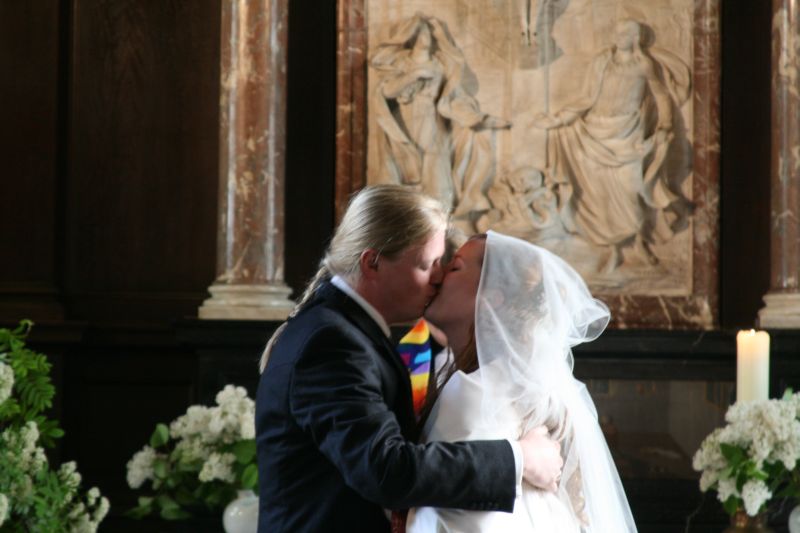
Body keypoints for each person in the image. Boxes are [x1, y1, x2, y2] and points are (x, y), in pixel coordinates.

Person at [255, 185, 563, 532]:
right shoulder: (332, 341)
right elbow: (385, 469)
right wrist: (519, 459)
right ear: (372, 263)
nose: (438, 277)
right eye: (427, 264)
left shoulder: (347, 331)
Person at [408, 231, 637, 532]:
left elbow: (446, 520)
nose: (437, 277)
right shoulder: (526, 388)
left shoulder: (476, 392)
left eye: (454, 267)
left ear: (490, 296)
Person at [533, 19, 690, 273]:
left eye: (625, 33)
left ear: (635, 37)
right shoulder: (602, 62)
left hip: (629, 135)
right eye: (617, 33)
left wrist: (665, 125)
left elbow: (661, 95)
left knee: (630, 189)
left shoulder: (643, 64)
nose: (619, 37)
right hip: (596, 130)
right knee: (600, 196)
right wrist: (559, 119)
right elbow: (587, 97)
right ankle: (614, 250)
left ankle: (639, 242)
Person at [370, 14, 510, 214]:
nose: (427, 37)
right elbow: (386, 91)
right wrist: (414, 75)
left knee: (437, 167)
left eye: (429, 33)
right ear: (412, 36)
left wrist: (477, 119)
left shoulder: (439, 63)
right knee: (407, 167)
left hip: (432, 120)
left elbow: (452, 97)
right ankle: (406, 216)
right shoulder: (401, 62)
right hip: (407, 120)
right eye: (422, 33)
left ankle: (440, 217)